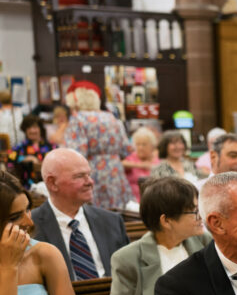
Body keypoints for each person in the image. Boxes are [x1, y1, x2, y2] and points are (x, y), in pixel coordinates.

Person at [105, 177, 210, 295]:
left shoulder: (206, 243)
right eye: (194, 211)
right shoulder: (127, 259)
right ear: (166, 221)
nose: (201, 216)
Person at [1, 170, 75, 295]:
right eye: (15, 217)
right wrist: (9, 267)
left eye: (28, 209)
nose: (29, 222)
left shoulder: (45, 254)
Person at [32, 148, 129, 281]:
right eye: (79, 176)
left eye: (89, 175)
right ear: (52, 183)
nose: (90, 182)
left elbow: (129, 275)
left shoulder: (112, 221)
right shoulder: (30, 227)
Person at [64, 81, 134, 210]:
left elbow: (75, 154)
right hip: (115, 171)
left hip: (92, 171)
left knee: (95, 215)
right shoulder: (111, 117)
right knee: (118, 213)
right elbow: (127, 149)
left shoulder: (78, 119)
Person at [9, 115, 53, 188]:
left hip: (49, 185)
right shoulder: (20, 147)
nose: (32, 130)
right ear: (25, 130)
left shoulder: (51, 146)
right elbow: (9, 160)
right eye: (29, 128)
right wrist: (24, 159)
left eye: (35, 127)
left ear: (40, 129)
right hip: (27, 187)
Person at [122, 127, 160, 201]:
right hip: (133, 201)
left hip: (154, 200)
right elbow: (121, 164)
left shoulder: (157, 161)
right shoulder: (132, 158)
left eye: (144, 144)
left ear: (152, 146)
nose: (140, 147)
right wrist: (141, 165)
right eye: (138, 144)